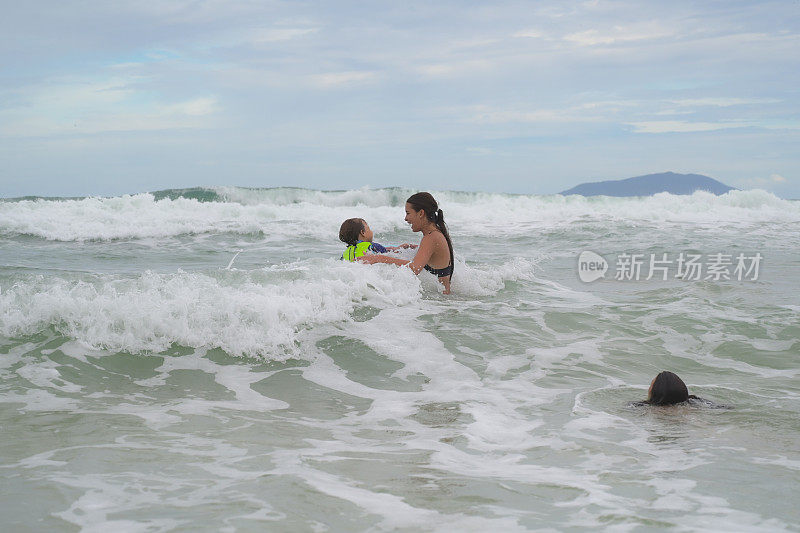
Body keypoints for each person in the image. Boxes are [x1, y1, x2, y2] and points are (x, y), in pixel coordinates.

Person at [358, 192, 454, 294]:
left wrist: (378, 259)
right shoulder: (435, 234)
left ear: (421, 213)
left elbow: (415, 268)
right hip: (441, 302)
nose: (405, 218)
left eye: (408, 213)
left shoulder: (431, 237)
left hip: (439, 304)